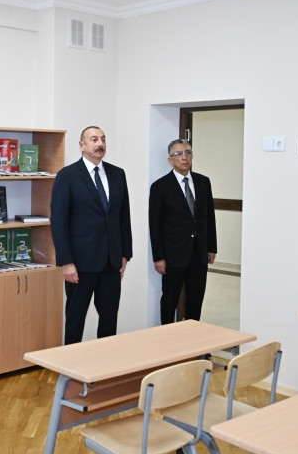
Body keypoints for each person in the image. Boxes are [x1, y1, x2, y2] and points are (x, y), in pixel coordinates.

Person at [50, 126, 133, 344]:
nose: (100, 144)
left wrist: (125, 254)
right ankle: (70, 363)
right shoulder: (67, 176)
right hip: (80, 264)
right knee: (75, 320)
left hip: (111, 262)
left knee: (109, 319)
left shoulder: (118, 174)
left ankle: (105, 364)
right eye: (94, 139)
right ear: (82, 145)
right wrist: (66, 261)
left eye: (103, 139)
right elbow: (59, 222)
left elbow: (123, 217)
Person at [148, 139, 217, 324]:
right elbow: (155, 225)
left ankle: (193, 338)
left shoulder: (203, 182)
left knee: (196, 300)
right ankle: (167, 338)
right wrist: (158, 257)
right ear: (170, 160)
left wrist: (211, 247)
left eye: (188, 152)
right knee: (169, 300)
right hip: (173, 255)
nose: (184, 157)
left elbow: (209, 217)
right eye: (178, 154)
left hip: (199, 253)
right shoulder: (160, 187)